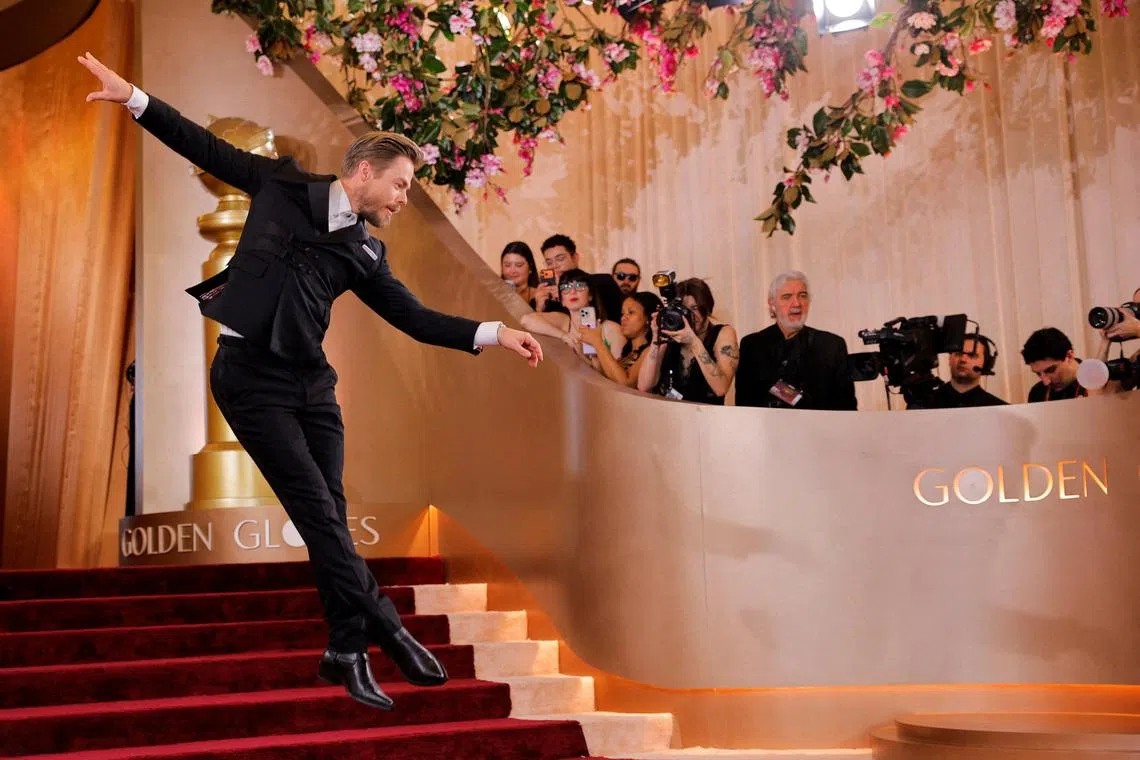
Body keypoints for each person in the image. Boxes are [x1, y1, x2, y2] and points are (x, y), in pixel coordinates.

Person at [79, 52, 542, 711]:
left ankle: (345, 650)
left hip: (312, 389)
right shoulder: (281, 187)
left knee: (332, 522)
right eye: (402, 185)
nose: (405, 199)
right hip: (249, 380)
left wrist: (497, 334)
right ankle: (387, 627)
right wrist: (133, 98)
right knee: (318, 515)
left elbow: (413, 317)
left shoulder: (367, 251)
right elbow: (202, 143)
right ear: (364, 171)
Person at [735, 271, 856, 410]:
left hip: (820, 429)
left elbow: (847, 407)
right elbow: (744, 405)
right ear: (772, 303)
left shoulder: (831, 345)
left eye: (802, 296)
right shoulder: (752, 345)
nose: (797, 303)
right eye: (787, 297)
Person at [637, 278, 739, 404]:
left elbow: (721, 388)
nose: (689, 314)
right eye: (683, 309)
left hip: (707, 417)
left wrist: (693, 342)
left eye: (695, 308)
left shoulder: (723, 333)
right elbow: (644, 386)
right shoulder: (671, 334)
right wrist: (656, 340)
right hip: (669, 416)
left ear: (707, 308)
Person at [521, 268, 625, 370]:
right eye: (566, 287)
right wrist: (564, 336)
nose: (573, 291)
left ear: (590, 295)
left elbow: (618, 379)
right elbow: (526, 320)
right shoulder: (565, 322)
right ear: (562, 301)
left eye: (579, 286)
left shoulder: (611, 329)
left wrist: (584, 354)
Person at [534, 234, 624, 319]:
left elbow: (615, 317)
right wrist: (539, 308)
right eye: (549, 263)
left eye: (560, 259)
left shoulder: (603, 282)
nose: (554, 266)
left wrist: (565, 292)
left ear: (575, 258)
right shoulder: (548, 296)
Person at [589, 292, 662, 388]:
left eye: (631, 312)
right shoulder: (627, 353)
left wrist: (598, 342)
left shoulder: (651, 351)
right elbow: (606, 376)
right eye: (622, 313)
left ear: (648, 318)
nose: (623, 318)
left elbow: (626, 383)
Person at [926, 334, 1007, 408]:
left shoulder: (999, 409)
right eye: (958, 354)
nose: (963, 360)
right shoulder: (924, 404)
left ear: (985, 364)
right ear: (950, 359)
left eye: (972, 355)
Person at [1021, 327, 1085, 402]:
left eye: (1050, 370)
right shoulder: (1037, 393)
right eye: (1038, 373)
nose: (1046, 382)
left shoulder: (1097, 382)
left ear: (1069, 356)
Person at [499, 241, 539, 309]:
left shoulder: (540, 295)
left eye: (519, 265)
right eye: (507, 265)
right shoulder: (494, 294)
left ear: (530, 268)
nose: (512, 271)